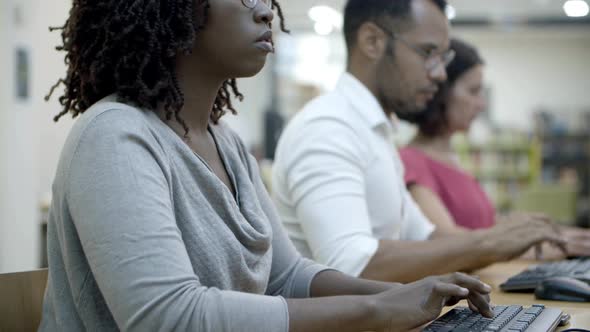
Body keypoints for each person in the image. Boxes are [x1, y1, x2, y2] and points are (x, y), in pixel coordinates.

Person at [39, 1, 493, 331]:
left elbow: (286, 276)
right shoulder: (115, 135)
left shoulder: (228, 144)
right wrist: (378, 310)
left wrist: (411, 295)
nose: (265, 12)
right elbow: (169, 318)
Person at [272, 0, 565, 284]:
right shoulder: (328, 127)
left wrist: (516, 239)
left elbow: (427, 237)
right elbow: (351, 265)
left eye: (443, 58)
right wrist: (488, 242)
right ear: (372, 41)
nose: (439, 74)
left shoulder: (375, 132)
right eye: (428, 52)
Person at [399, 38, 590, 257]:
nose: (482, 104)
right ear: (440, 92)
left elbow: (482, 228)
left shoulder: (452, 157)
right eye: (473, 91)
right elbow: (446, 241)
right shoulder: (411, 161)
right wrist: (553, 247)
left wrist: (556, 235)